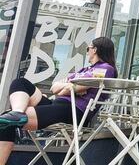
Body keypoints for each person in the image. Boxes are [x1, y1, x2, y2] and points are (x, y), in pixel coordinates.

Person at [0, 36, 118, 164]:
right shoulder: (85, 70)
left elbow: (79, 86)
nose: (87, 51)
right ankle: (18, 112)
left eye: (87, 48)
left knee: (6, 121)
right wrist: (70, 87)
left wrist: (70, 86)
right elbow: (55, 88)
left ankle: (16, 116)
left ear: (94, 50)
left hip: (73, 111)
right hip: (57, 105)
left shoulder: (106, 68)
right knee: (20, 83)